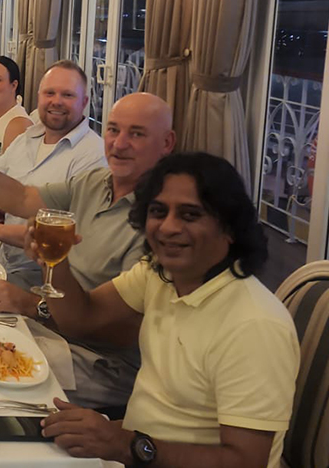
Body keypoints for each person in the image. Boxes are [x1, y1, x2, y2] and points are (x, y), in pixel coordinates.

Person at [37, 153, 299, 468]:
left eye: (190, 215)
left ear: (229, 228)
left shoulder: (255, 325)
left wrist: (125, 445)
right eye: (158, 211)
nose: (169, 227)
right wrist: (55, 261)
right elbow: (80, 318)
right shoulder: (159, 274)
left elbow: (245, 461)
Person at [0, 92, 176, 408]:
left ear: (167, 143)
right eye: (113, 130)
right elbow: (23, 199)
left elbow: (123, 332)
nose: (119, 143)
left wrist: (35, 305)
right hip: (58, 325)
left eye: (136, 134)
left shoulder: (164, 221)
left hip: (104, 362)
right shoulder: (97, 181)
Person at [0, 60, 106, 288]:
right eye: (49, 93)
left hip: (43, 280)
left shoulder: (93, 155)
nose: (56, 101)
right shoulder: (27, 138)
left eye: (67, 95)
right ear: (39, 97)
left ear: (84, 102)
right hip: (2, 260)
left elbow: (73, 236)